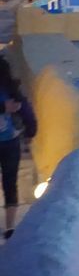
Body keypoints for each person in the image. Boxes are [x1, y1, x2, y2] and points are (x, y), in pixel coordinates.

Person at [0, 59, 37, 240]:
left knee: (10, 183)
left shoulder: (11, 92)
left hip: (10, 142)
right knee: (10, 183)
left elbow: (24, 109)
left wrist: (30, 129)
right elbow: (26, 110)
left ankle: (10, 228)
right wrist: (31, 129)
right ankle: (10, 227)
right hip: (10, 140)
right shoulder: (11, 91)